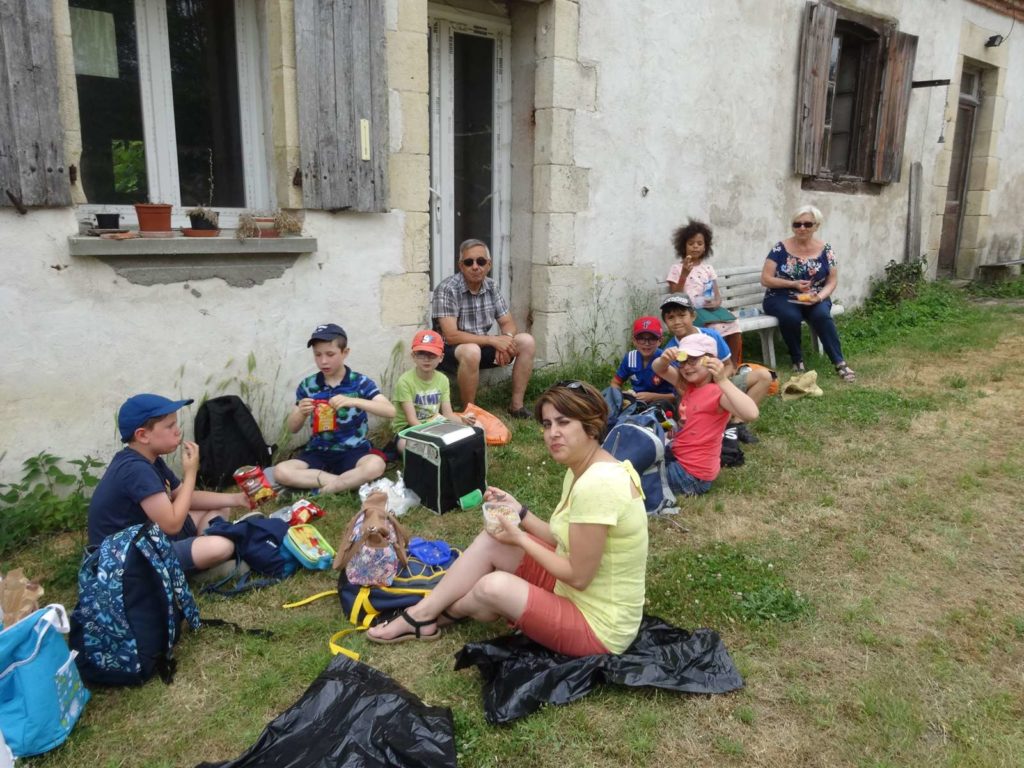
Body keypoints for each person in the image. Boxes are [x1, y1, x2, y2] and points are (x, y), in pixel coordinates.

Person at [367, 381, 648, 656]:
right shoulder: (584, 468)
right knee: (494, 540)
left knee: (492, 587)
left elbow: (579, 577)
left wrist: (521, 539)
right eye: (547, 424)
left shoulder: (598, 485)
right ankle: (424, 614)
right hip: (573, 593)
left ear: (592, 426)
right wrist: (520, 512)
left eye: (564, 422)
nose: (553, 433)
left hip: (598, 626)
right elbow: (562, 539)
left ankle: (438, 615)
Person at [87, 394, 243, 574]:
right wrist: (191, 473)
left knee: (221, 508)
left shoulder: (150, 459)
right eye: (170, 426)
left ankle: (198, 560)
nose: (177, 430)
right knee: (221, 546)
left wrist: (237, 499)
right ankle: (198, 564)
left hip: (150, 538)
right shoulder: (136, 470)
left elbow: (185, 497)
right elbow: (172, 525)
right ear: (142, 435)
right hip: (125, 562)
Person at [273, 324, 396, 494]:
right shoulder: (308, 385)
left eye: (330, 354)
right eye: (318, 355)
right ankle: (344, 483)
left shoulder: (359, 382)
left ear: (345, 352)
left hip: (354, 451)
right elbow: (292, 428)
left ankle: (322, 490)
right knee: (281, 471)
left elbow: (390, 411)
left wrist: (355, 401)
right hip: (318, 451)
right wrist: (301, 412)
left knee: (376, 465)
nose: (323, 361)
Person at [431, 239, 537, 418]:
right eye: (468, 262)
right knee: (471, 350)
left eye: (480, 261)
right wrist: (493, 341)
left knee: (527, 341)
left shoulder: (492, 286)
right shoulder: (447, 289)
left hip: (481, 346)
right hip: (449, 352)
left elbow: (508, 323)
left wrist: (506, 341)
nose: (475, 267)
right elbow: (450, 336)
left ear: (489, 265)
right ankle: (469, 412)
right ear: (461, 266)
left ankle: (516, 406)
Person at [652, 334, 759, 496]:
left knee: (641, 482)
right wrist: (664, 359)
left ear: (711, 362)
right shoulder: (689, 386)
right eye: (682, 361)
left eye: (693, 360)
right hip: (679, 456)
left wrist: (722, 380)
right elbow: (658, 368)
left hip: (692, 474)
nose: (686, 367)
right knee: (641, 461)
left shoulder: (718, 393)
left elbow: (751, 413)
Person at [659, 293, 770, 444]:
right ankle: (720, 421)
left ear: (693, 316)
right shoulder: (671, 351)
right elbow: (680, 385)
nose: (677, 321)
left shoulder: (711, 336)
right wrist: (705, 392)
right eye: (671, 317)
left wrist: (718, 381)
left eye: (682, 315)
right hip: (691, 395)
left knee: (764, 376)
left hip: (719, 383)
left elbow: (729, 365)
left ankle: (737, 424)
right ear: (665, 322)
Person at [761, 205, 856, 381]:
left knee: (822, 315)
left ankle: (840, 363)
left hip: (815, 295)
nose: (802, 228)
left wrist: (819, 297)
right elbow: (766, 279)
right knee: (790, 316)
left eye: (807, 224)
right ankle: (797, 360)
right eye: (797, 224)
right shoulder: (779, 249)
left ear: (816, 226)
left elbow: (832, 281)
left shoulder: (826, 250)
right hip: (782, 296)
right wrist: (793, 284)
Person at [666, 218, 743, 362]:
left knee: (734, 324)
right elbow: (675, 296)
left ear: (705, 247)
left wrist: (715, 303)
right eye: (691, 243)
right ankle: (712, 363)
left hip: (708, 310)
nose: (695, 247)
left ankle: (732, 365)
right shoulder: (676, 269)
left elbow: (717, 296)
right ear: (683, 246)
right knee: (714, 328)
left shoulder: (708, 268)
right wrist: (684, 274)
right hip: (688, 312)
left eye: (700, 243)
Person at [391, 329, 476, 453]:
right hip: (408, 429)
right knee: (406, 445)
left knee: (477, 426)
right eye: (421, 353)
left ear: (441, 358)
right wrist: (436, 436)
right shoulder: (404, 381)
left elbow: (448, 414)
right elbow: (412, 420)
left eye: (432, 354)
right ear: (413, 356)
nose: (426, 359)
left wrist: (463, 420)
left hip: (434, 423)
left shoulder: (443, 379)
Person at [608, 316, 676, 406]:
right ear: (634, 341)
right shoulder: (630, 358)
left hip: (663, 406)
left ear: (660, 340)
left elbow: (679, 395)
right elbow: (615, 383)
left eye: (652, 338)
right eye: (641, 338)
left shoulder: (665, 359)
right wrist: (622, 395)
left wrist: (653, 397)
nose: (646, 343)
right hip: (637, 404)